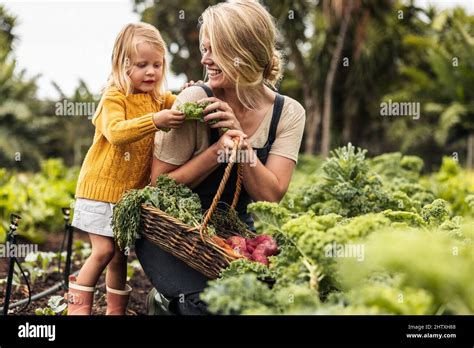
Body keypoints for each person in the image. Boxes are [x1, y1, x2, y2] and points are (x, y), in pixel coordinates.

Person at [135, 1, 306, 315]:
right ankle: (164, 303)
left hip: (233, 237)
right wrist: (217, 152)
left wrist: (240, 142)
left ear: (243, 51)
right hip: (175, 235)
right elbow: (158, 187)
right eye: (204, 48)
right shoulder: (196, 100)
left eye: (213, 50)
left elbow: (271, 194)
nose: (204, 59)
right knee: (208, 307)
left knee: (272, 303)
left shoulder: (288, 113)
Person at [66, 22, 185, 315]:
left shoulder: (157, 98)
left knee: (120, 256)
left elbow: (181, 103)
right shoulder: (114, 97)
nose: (151, 72)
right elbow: (117, 132)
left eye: (157, 65)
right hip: (100, 191)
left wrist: (191, 91)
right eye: (142, 65)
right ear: (123, 64)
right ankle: (77, 310)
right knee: (104, 251)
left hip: (126, 199)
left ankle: (114, 311)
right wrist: (156, 120)